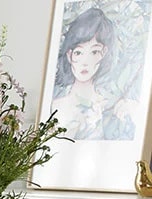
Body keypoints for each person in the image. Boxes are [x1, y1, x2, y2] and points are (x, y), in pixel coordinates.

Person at [52, 6, 137, 140]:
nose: (85, 62)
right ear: (69, 55)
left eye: (94, 52)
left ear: (103, 54)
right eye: (79, 52)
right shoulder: (56, 106)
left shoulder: (111, 108)